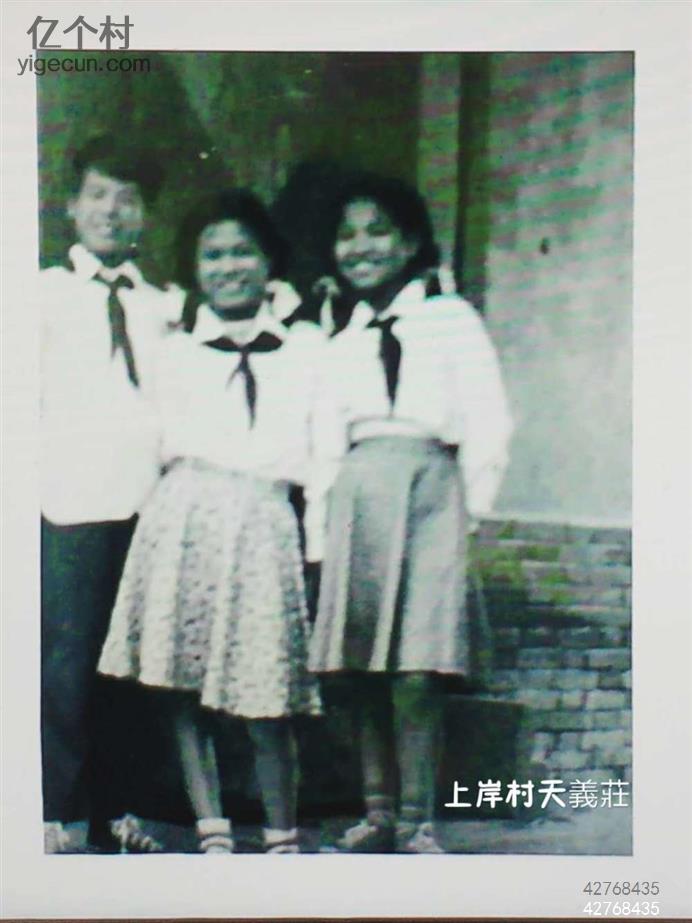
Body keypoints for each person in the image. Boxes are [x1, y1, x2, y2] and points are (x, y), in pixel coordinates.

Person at [98, 190, 328, 855]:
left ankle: (281, 831)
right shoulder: (173, 349)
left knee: (268, 691)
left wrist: (317, 545)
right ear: (195, 268)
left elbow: (323, 454)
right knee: (181, 683)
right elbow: (146, 441)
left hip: (262, 522)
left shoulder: (307, 347)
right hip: (183, 518)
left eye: (243, 251)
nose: (229, 267)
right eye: (214, 255)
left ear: (269, 260)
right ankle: (211, 826)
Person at [307, 173, 513, 853]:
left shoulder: (451, 318)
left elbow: (489, 419)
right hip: (359, 496)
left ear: (410, 241)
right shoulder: (340, 337)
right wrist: (319, 537)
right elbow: (323, 444)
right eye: (346, 234)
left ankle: (420, 819)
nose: (361, 246)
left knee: (418, 669)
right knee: (363, 667)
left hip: (432, 495)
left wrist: (471, 512)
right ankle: (378, 812)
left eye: (378, 231)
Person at [40, 134, 181, 854]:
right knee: (66, 662)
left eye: (129, 199)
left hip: (147, 505)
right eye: (97, 195)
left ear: (146, 216)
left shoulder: (165, 307)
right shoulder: (41, 295)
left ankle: (120, 812)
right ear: (72, 207)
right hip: (66, 502)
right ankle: (59, 812)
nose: (112, 211)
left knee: (132, 667)